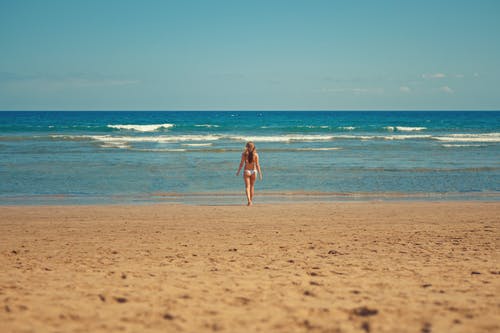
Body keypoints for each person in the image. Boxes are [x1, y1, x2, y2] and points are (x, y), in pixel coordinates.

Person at [236, 142, 263, 206]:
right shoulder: (256, 155)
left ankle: (249, 201)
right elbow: (257, 165)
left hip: (246, 171)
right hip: (254, 171)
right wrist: (260, 174)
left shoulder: (244, 154)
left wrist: (238, 171)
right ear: (253, 147)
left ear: (246, 147)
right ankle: (251, 201)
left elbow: (241, 164)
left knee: (247, 187)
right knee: (252, 186)